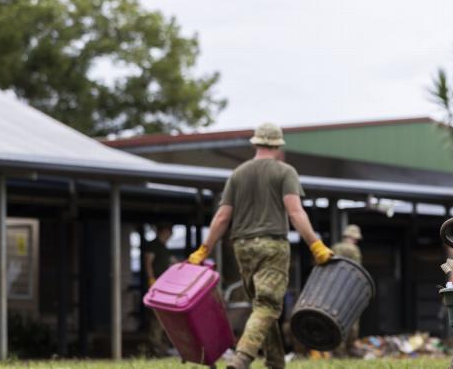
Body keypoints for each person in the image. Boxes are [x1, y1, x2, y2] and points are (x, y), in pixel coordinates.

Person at [187, 122, 334, 369]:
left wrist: (204, 249)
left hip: (242, 248)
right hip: (272, 246)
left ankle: (276, 362)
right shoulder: (285, 172)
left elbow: (222, 217)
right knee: (267, 306)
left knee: (263, 308)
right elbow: (295, 213)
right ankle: (242, 357)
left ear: (255, 144)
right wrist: (316, 245)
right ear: (277, 146)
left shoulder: (238, 174)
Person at [331, 224, 362, 357]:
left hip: (334, 289)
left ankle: (338, 350)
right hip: (349, 289)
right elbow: (358, 270)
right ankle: (349, 348)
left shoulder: (335, 248)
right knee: (352, 320)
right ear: (354, 238)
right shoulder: (354, 250)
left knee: (336, 318)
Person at [144, 222, 174, 355]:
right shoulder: (154, 245)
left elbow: (173, 262)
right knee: (157, 316)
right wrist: (151, 279)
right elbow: (148, 262)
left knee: (165, 316)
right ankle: (154, 347)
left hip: (165, 286)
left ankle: (162, 347)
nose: (171, 235)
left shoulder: (164, 248)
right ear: (164, 231)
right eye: (170, 232)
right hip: (156, 286)